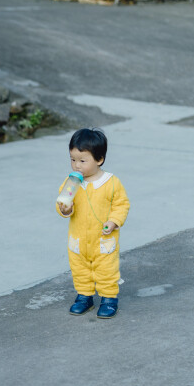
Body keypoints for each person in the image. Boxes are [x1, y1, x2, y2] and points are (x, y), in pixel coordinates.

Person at [56, 128, 130, 318]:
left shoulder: (111, 182)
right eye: (73, 160)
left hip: (103, 240)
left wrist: (114, 221)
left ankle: (108, 299)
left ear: (99, 159)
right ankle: (84, 296)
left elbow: (121, 204)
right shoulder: (71, 182)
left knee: (106, 270)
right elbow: (63, 202)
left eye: (82, 161)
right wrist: (65, 209)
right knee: (80, 269)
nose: (76, 165)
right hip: (79, 239)